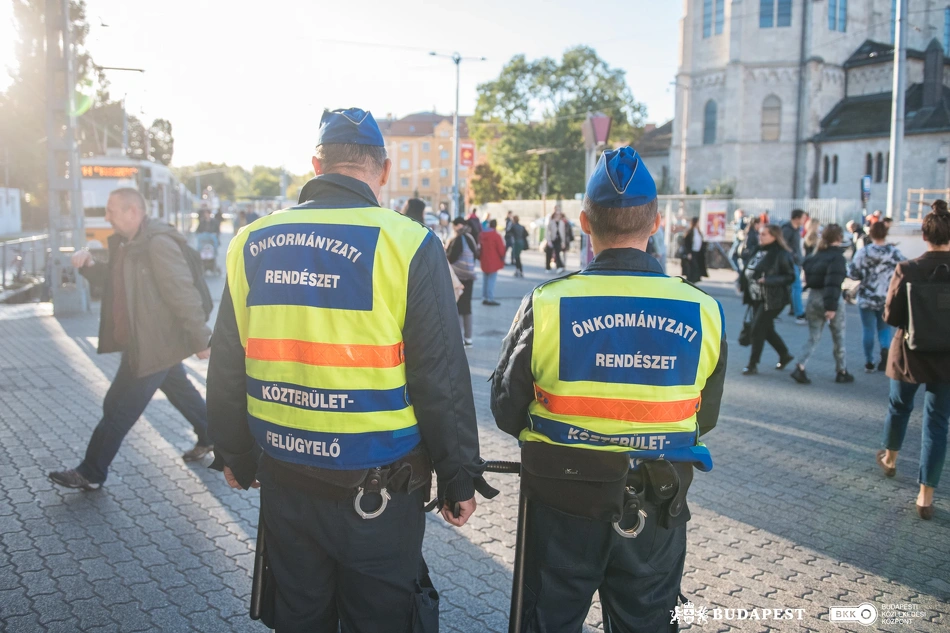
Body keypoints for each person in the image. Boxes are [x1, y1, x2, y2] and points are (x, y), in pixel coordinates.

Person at [206, 108, 491, 631]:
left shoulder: (250, 242)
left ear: (316, 164)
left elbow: (228, 361)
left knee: (299, 618)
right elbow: (441, 379)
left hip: (285, 479)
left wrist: (234, 452)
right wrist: (458, 475)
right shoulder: (409, 244)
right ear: (383, 171)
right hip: (378, 493)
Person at [491, 146, 727, 632]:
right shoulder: (702, 307)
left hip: (561, 503)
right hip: (657, 504)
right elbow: (706, 416)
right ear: (657, 222)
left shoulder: (549, 301)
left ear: (583, 221)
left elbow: (505, 408)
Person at [48, 188, 213, 491]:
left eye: (112, 210)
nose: (107, 216)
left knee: (118, 408)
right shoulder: (130, 243)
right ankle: (210, 434)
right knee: (180, 390)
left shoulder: (158, 244)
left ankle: (91, 472)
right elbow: (117, 284)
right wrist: (89, 267)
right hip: (146, 340)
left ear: (133, 212)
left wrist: (201, 338)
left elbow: (182, 292)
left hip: (154, 344)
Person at [877, 201, 950, 520]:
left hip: (910, 352)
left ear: (924, 235)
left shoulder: (907, 269)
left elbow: (891, 315)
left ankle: (890, 459)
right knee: (938, 422)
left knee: (899, 406)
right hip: (947, 357)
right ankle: (925, 495)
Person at [789, 224, 853, 385]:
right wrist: (831, 307)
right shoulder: (837, 258)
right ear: (839, 238)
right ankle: (841, 370)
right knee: (839, 337)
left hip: (813, 298)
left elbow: (807, 278)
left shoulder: (815, 256)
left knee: (813, 336)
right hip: (831, 299)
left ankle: (800, 365)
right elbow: (833, 282)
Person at [848, 221, 906, 373]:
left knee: (868, 329)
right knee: (884, 328)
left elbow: (853, 274)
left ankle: (869, 361)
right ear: (886, 234)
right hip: (886, 297)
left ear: (871, 234)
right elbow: (905, 269)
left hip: (867, 297)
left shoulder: (863, 252)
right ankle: (885, 350)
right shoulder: (893, 252)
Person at [742, 224, 796, 375]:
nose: (760, 236)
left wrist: (769, 280)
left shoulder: (781, 254)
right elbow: (749, 269)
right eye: (760, 234)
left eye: (764, 234)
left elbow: (790, 276)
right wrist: (742, 282)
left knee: (757, 329)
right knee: (766, 329)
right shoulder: (758, 250)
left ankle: (752, 364)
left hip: (773, 299)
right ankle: (784, 354)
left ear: (774, 236)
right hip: (756, 297)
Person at [447, 217, 479, 346]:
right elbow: (476, 254)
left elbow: (451, 257)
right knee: (467, 307)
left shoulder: (458, 239)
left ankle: (459, 338)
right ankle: (469, 338)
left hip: (458, 277)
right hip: (470, 276)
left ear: (457, 226)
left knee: (458, 306)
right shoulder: (471, 237)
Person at [781, 209, 806, 323]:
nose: (804, 220)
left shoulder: (796, 229)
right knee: (797, 286)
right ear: (796, 218)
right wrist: (793, 256)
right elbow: (783, 245)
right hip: (791, 262)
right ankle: (799, 313)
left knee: (792, 288)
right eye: (803, 218)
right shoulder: (787, 229)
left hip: (796, 261)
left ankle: (793, 309)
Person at [479, 219, 506, 306]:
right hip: (493, 260)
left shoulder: (482, 234)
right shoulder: (496, 236)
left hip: (484, 260)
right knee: (491, 280)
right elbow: (501, 249)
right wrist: (503, 257)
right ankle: (490, 298)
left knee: (485, 280)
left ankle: (484, 297)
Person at [682, 217, 706, 283]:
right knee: (692, 266)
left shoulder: (698, 231)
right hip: (692, 251)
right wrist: (688, 252)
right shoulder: (690, 232)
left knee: (697, 266)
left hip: (698, 252)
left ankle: (695, 279)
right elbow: (687, 243)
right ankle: (690, 279)